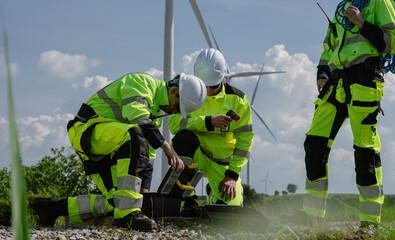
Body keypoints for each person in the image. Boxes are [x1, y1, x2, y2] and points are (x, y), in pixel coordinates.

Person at [32, 72, 207, 231]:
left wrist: (143, 192)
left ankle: (51, 208)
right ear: (173, 91)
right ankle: (127, 214)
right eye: (177, 107)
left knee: (116, 201)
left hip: (111, 145)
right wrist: (168, 148)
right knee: (134, 134)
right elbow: (138, 119)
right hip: (87, 131)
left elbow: (148, 157)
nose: (175, 112)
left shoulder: (154, 113)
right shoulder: (142, 82)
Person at [302, 0, 395, 234]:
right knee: (314, 143)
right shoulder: (341, 8)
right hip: (336, 82)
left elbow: (393, 43)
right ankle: (313, 218)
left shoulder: (381, 3)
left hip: (365, 80)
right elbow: (329, 47)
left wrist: (361, 22)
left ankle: (370, 224)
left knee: (365, 152)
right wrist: (322, 73)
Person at [168, 48, 254, 206]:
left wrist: (232, 175)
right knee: (182, 139)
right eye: (203, 85)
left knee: (230, 211)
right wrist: (208, 122)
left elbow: (245, 140)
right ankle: (188, 198)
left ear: (221, 79)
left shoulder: (238, 99)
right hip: (197, 156)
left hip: (223, 164)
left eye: (212, 86)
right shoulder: (187, 92)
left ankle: (213, 191)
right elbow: (174, 125)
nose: (207, 91)